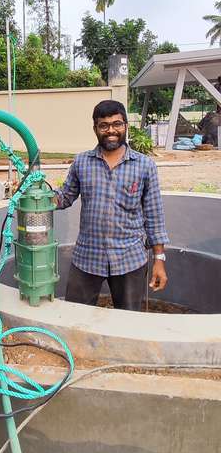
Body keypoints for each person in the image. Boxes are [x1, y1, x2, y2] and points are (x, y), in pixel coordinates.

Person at [55, 100, 168, 312]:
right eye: (104, 125)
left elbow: (155, 215)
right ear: (95, 129)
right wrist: (35, 193)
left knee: (128, 321)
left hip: (130, 259)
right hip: (87, 257)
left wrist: (159, 260)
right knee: (74, 316)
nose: (111, 130)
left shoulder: (144, 165)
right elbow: (64, 197)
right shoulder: (82, 162)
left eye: (117, 124)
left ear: (125, 125)